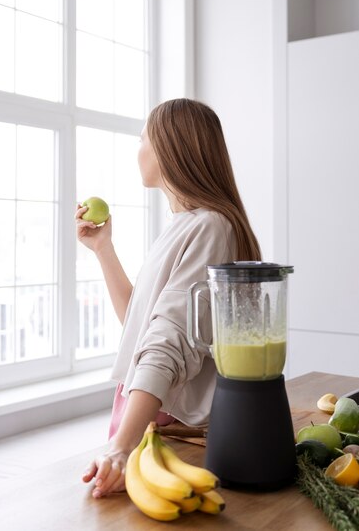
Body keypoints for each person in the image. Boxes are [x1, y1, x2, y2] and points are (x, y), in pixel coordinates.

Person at [75, 98, 261, 498]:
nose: (138, 148)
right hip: (143, 404)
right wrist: (104, 249)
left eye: (144, 138)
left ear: (169, 148)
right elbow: (141, 329)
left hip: (161, 411)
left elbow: (170, 340)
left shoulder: (210, 226)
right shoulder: (185, 226)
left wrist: (121, 446)